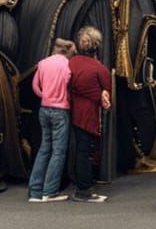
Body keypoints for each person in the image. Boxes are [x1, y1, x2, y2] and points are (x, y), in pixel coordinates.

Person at [67, 26, 111, 203]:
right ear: (96, 46)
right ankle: (84, 189)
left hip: (69, 109)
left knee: (78, 150)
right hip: (89, 115)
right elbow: (107, 94)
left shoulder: (70, 63)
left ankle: (81, 185)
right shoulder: (99, 68)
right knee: (85, 151)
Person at [27, 38, 73, 202]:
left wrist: (45, 96)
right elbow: (69, 85)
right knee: (58, 152)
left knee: (44, 149)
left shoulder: (43, 63)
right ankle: (50, 191)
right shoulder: (68, 65)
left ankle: (35, 192)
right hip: (60, 110)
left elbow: (35, 86)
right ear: (67, 50)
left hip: (44, 109)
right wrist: (63, 98)